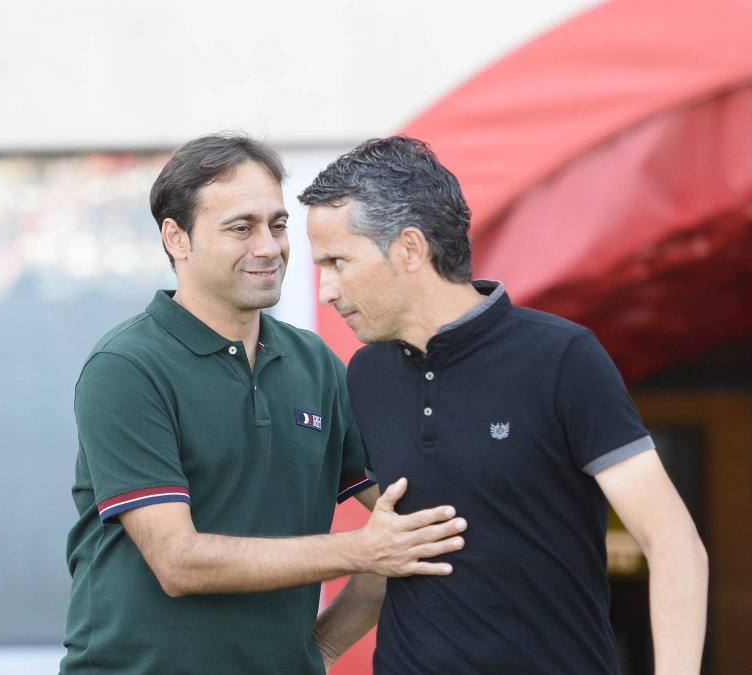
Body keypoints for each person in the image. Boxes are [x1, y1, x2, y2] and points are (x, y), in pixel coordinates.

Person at [59, 133, 468, 675]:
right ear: (176, 238)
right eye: (241, 227)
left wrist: (315, 652)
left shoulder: (316, 365)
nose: (269, 247)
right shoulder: (127, 366)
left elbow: (408, 522)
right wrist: (362, 551)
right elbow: (178, 562)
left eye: (277, 225)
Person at [301, 136, 708, 674]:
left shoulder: (562, 357)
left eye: (338, 262)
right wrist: (316, 653)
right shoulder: (367, 375)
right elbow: (396, 551)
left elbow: (673, 542)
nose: (326, 289)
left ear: (409, 249)